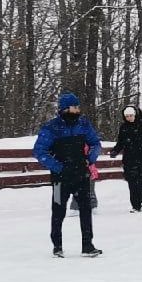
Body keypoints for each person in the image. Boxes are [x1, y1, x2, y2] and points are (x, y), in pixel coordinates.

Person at [32, 91, 103, 258]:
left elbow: (95, 144)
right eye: (74, 106)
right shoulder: (51, 127)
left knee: (86, 210)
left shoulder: (84, 124)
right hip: (59, 179)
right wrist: (58, 167)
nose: (77, 109)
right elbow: (39, 151)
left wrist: (89, 159)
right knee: (58, 211)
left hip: (81, 176)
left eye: (78, 106)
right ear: (65, 108)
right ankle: (57, 246)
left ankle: (88, 245)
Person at [109, 106, 142, 212]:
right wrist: (115, 151)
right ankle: (135, 205)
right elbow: (120, 142)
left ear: (135, 115)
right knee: (132, 183)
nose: (129, 118)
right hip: (129, 160)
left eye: (131, 115)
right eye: (127, 116)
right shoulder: (123, 127)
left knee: (141, 181)